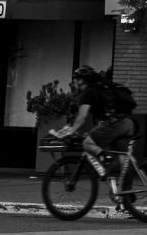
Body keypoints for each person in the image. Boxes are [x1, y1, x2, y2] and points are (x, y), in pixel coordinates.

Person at [56, 65, 139, 204]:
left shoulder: (88, 92)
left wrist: (70, 131)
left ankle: (107, 159)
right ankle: (125, 191)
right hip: (128, 123)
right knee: (122, 158)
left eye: (75, 80)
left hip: (115, 124)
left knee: (86, 143)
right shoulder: (99, 89)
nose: (74, 83)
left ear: (81, 80)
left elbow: (82, 117)